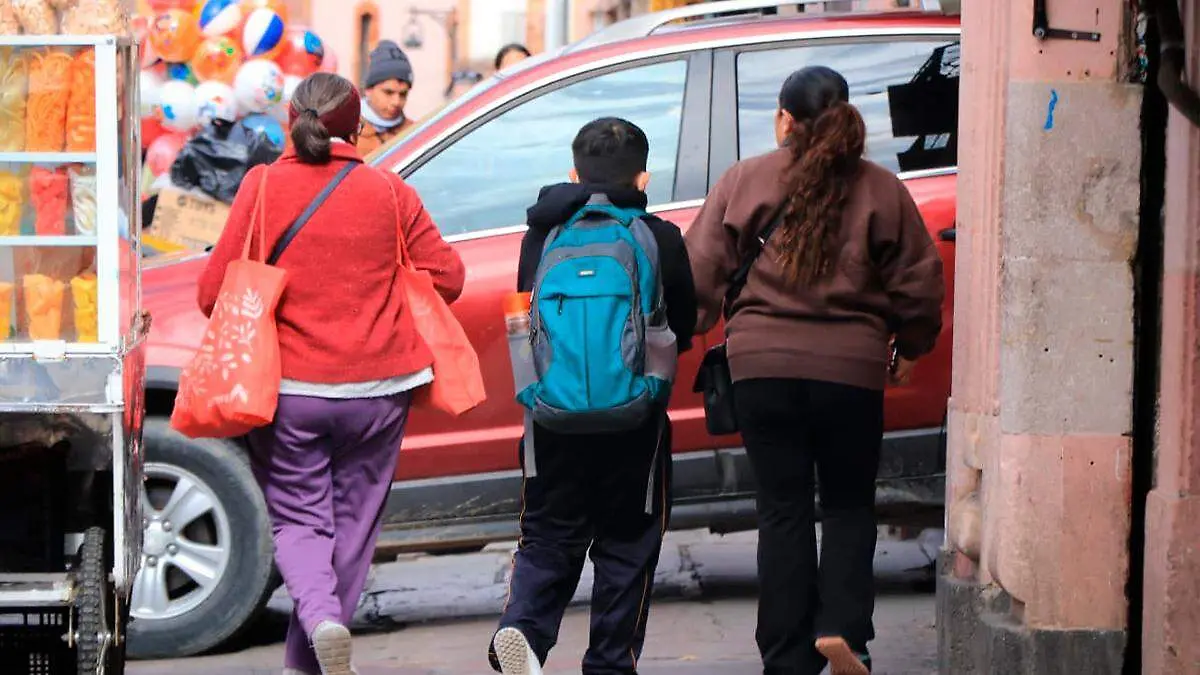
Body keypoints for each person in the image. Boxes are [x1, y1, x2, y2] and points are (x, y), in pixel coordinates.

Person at [197, 72, 465, 675]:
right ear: (358, 126)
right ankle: (308, 657)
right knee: (352, 529)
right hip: (379, 391)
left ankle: (319, 623)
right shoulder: (389, 192)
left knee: (300, 519)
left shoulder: (262, 187)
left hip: (291, 393)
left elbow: (213, 293)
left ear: (292, 120)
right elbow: (449, 277)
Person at [685, 66, 944, 675]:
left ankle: (785, 656)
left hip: (761, 370)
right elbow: (919, 283)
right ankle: (845, 632)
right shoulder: (882, 189)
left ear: (784, 120)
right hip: (850, 372)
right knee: (850, 504)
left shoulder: (744, 180)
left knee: (783, 510)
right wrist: (909, 346)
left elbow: (700, 272)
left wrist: (695, 323)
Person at [489, 117, 697, 675]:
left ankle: (523, 633)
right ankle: (609, 664)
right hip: (636, 422)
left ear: (574, 174)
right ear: (644, 178)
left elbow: (528, 323)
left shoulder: (544, 235)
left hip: (551, 421)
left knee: (548, 535)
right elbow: (687, 324)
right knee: (628, 546)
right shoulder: (659, 236)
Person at [358, 40, 417, 155]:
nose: (396, 102)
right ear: (369, 90)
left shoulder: (414, 133)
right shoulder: (348, 133)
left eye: (403, 94)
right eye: (388, 92)